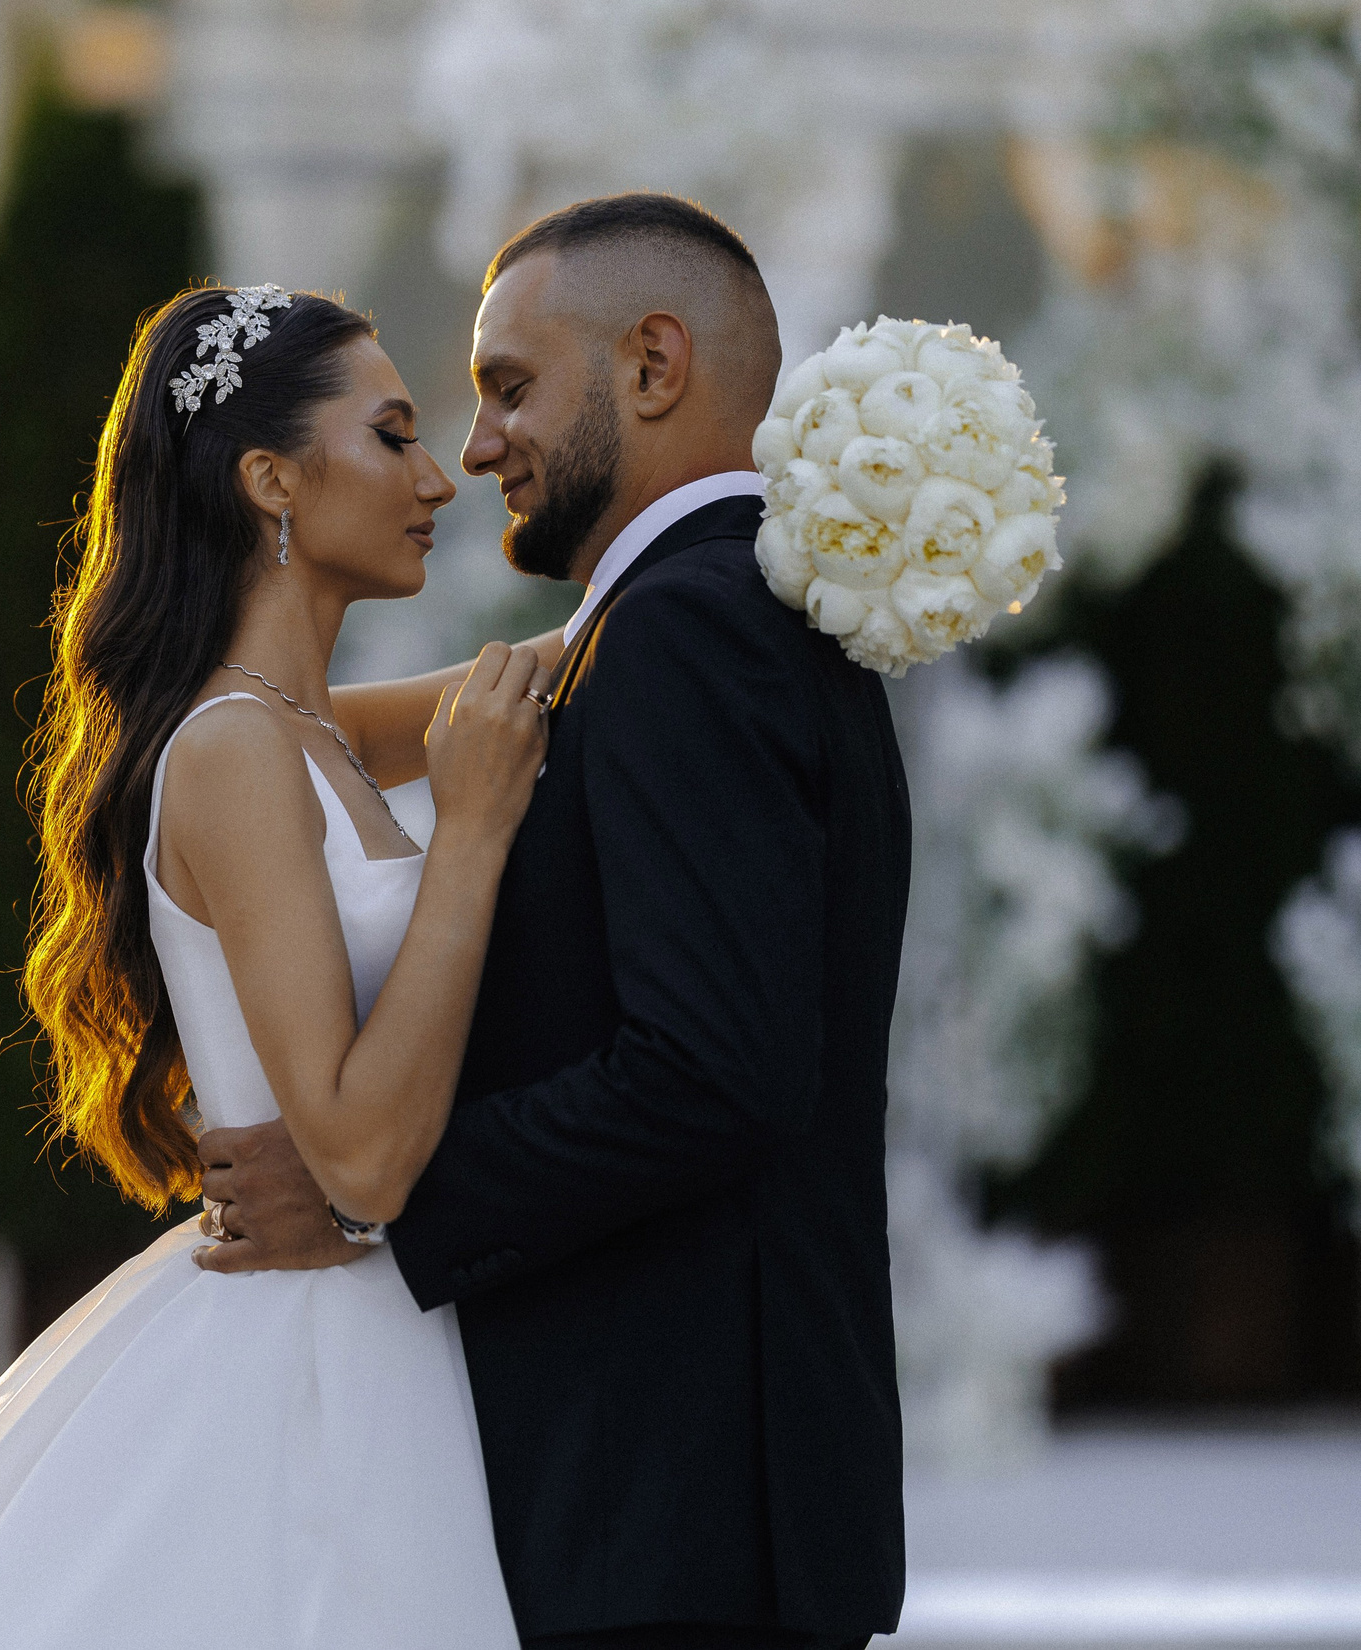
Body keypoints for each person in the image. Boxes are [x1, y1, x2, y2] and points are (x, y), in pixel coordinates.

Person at [0, 279, 555, 1648]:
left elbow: (566, 664)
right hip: (307, 1349)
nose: (439, 477)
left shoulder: (309, 731)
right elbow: (363, 1158)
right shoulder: (238, 749)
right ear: (270, 480)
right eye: (390, 435)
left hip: (373, 1318)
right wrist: (474, 833)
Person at [198, 193, 913, 1650]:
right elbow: (286, 736)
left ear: (652, 366)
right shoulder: (696, 619)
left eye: (507, 388)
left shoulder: (688, 635)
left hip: (673, 1508)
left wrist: (371, 1197)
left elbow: (711, 1072)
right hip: (693, 1499)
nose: (475, 449)